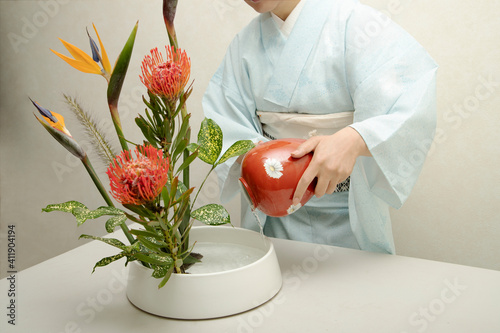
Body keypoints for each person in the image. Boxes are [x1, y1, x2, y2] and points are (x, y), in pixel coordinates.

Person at [202, 0, 437, 254]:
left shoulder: (358, 25)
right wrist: (273, 167)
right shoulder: (244, 45)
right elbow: (223, 122)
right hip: (277, 218)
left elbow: (412, 103)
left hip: (351, 212)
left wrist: (355, 139)